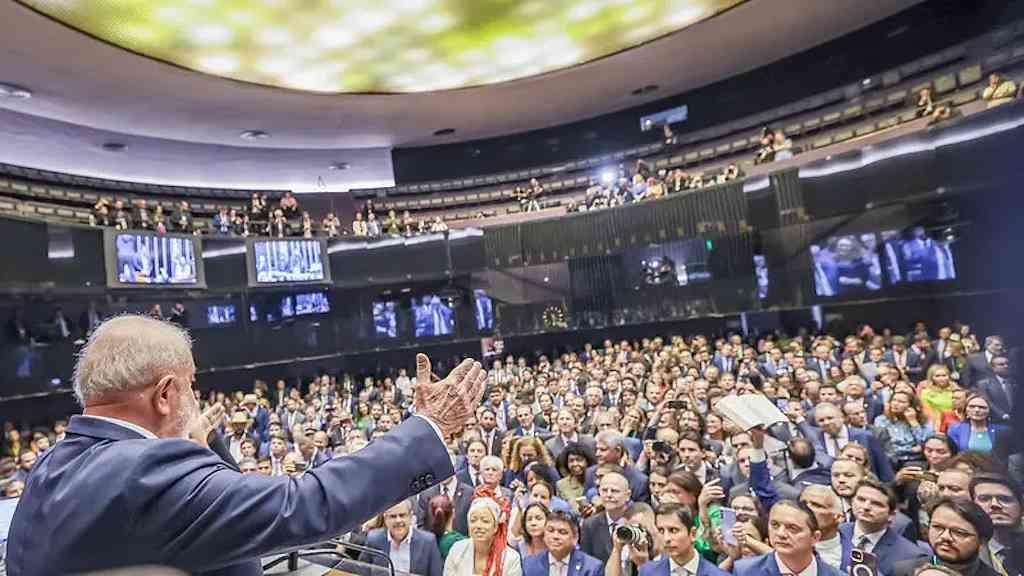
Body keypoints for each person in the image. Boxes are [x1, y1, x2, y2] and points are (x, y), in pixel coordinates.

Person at [8, 314, 487, 576]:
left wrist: (204, 450)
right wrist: (428, 425)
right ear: (165, 394)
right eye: (192, 386)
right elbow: (306, 503)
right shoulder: (149, 471)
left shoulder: (49, 466)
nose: (194, 399)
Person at [838, 479, 928, 575]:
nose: (866, 507)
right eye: (861, 499)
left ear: (891, 515)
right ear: (851, 502)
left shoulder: (912, 555)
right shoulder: (836, 532)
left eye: (876, 504)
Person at [732, 500, 843, 576]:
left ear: (815, 537)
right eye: (775, 525)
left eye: (792, 528)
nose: (781, 534)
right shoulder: (745, 571)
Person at [891, 498, 999, 576]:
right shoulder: (903, 572)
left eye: (959, 532)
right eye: (938, 527)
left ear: (981, 541)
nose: (945, 537)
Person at [639, 503, 729, 576]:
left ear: (693, 534)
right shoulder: (648, 572)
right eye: (661, 531)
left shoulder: (717, 574)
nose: (666, 538)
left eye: (673, 530)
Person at [360, 499, 444, 576]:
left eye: (402, 515)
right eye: (393, 516)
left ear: (410, 517)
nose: (398, 520)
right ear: (385, 519)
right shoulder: (374, 539)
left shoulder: (428, 541)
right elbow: (361, 572)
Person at [444, 495, 522, 576]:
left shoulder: (511, 558)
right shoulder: (457, 550)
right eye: (473, 520)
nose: (478, 526)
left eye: (485, 521)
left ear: (495, 527)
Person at [969, 473, 1022, 576]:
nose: (994, 504)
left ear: (1021, 506)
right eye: (984, 499)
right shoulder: (963, 551)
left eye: (1005, 499)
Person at [523, 508, 603, 576]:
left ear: (575, 538)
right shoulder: (529, 565)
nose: (555, 536)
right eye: (550, 531)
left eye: (562, 532)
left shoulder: (591, 568)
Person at [581, 471, 632, 563]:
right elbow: (586, 562)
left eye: (614, 491)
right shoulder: (590, 525)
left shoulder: (637, 520)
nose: (608, 495)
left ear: (628, 495)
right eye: (604, 490)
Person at [977, 356, 1015, 424]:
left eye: (1007, 363)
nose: (1006, 366)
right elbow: (988, 402)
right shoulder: (984, 384)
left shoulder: (1015, 382)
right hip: (996, 421)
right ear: (993, 367)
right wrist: (1002, 415)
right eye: (1001, 364)